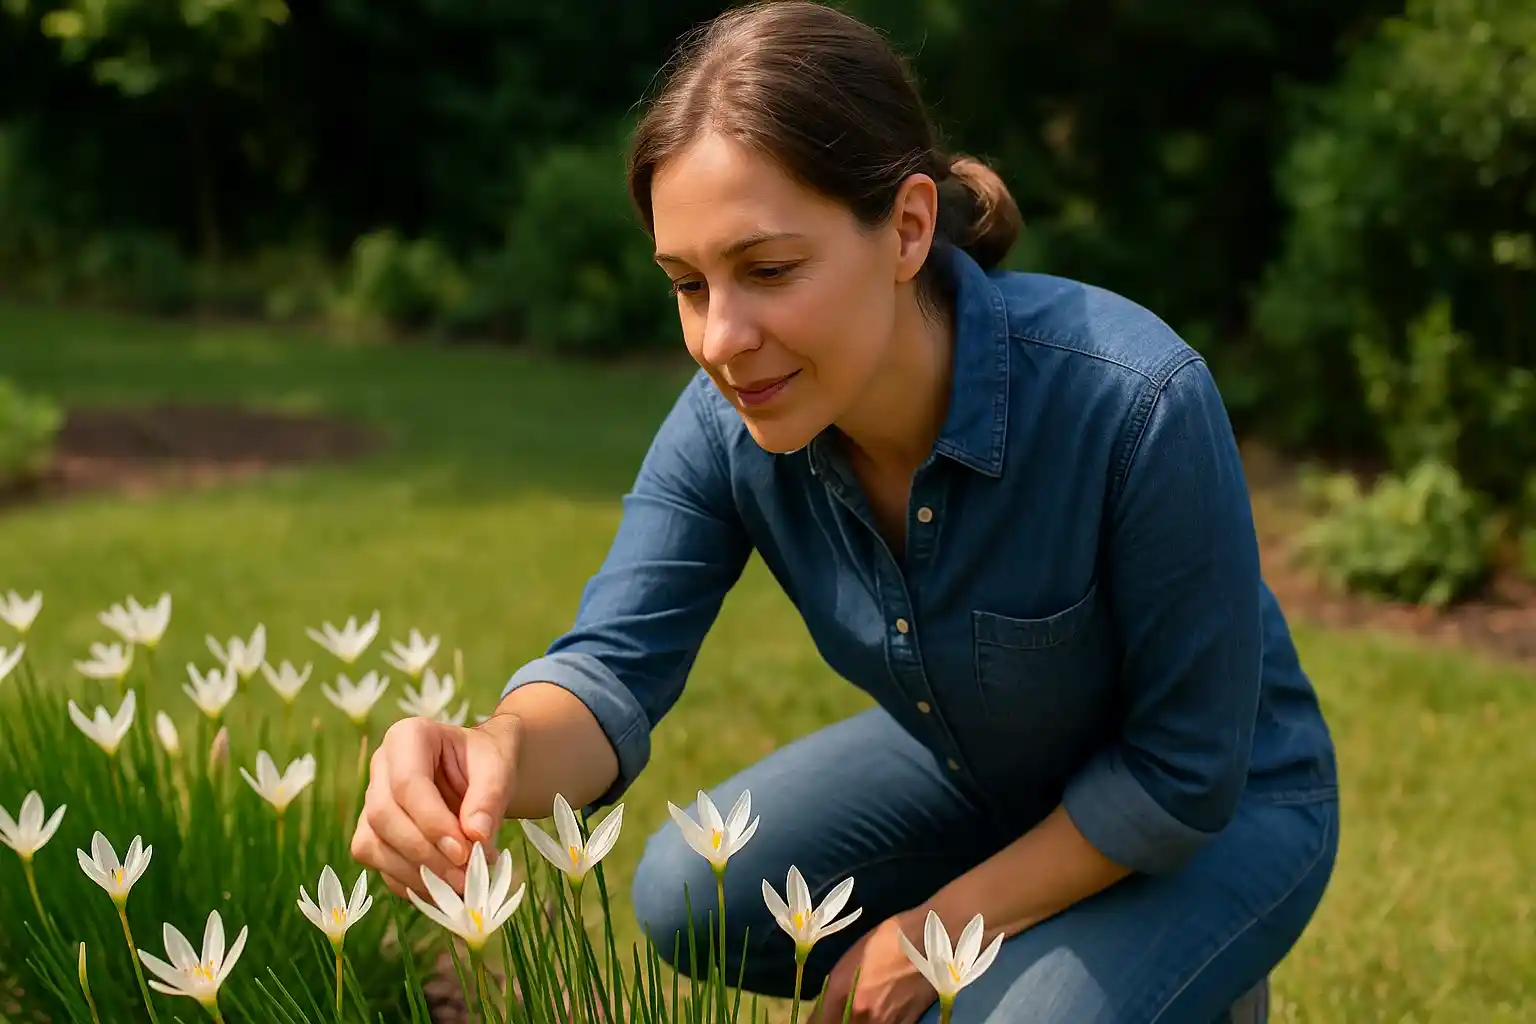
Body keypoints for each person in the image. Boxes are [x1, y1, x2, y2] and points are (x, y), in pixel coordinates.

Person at [349, 2, 1340, 1021]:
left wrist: (932, 930)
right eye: (688, 284)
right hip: (988, 764)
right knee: (691, 892)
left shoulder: (1133, 400)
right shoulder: (730, 424)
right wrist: (493, 747)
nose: (720, 340)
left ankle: (1175, 974)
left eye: (769, 270)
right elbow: (610, 668)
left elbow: (1183, 773)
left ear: (909, 228)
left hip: (1226, 809)